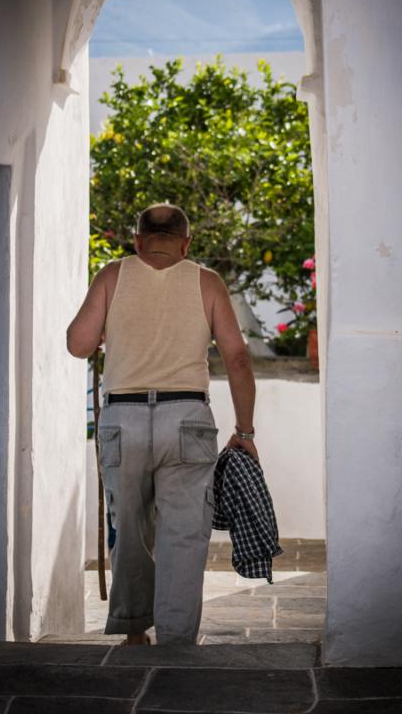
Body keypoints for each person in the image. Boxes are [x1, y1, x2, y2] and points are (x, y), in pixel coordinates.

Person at [66, 203, 258, 646]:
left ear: (137, 240)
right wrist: (244, 431)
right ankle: (175, 638)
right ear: (186, 242)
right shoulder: (206, 281)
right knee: (185, 533)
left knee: (129, 528)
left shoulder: (113, 275)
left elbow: (78, 345)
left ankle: (135, 633)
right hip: (187, 419)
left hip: (123, 419)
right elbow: (237, 357)